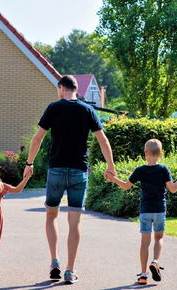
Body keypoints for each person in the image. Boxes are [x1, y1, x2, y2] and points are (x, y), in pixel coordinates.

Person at [23, 75, 116, 284]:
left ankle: (54, 260)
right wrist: (111, 167)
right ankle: (69, 270)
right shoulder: (87, 110)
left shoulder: (53, 108)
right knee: (74, 223)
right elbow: (103, 139)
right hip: (78, 171)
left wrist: (29, 164)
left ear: (61, 88)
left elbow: (37, 138)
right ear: (76, 89)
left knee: (51, 215)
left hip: (56, 170)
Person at [106, 139, 177, 285]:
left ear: (145, 153)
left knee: (144, 243)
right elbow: (173, 189)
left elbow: (125, 186)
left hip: (145, 211)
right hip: (160, 210)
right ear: (160, 154)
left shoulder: (140, 170)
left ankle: (143, 275)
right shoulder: (163, 169)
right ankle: (155, 261)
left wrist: (113, 178)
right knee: (159, 238)